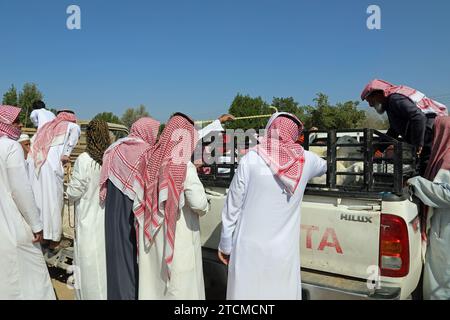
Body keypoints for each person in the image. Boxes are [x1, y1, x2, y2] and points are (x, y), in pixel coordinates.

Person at [218, 112, 327, 300]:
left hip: (248, 249)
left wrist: (225, 244)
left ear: (270, 130)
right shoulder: (307, 161)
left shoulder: (250, 159)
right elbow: (326, 166)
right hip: (283, 252)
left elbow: (232, 206)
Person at [138, 113, 210, 300]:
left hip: (152, 238)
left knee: (155, 286)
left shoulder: (149, 160)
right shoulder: (184, 166)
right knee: (179, 290)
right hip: (179, 241)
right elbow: (199, 204)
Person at [100, 117, 160, 300]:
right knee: (132, 255)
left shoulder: (115, 147)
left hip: (112, 207)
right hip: (132, 208)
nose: (156, 138)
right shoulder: (146, 151)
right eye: (155, 133)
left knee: (116, 254)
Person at [0, 105, 55, 300]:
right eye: (16, 121)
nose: (21, 124)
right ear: (6, 124)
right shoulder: (10, 147)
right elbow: (20, 190)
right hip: (11, 224)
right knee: (28, 279)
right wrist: (36, 225)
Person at [361, 79, 448, 175]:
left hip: (431, 129)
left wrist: (418, 144)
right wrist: (378, 148)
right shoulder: (390, 105)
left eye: (371, 101)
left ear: (378, 94)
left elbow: (418, 117)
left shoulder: (395, 99)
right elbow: (394, 130)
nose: (370, 105)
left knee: (427, 166)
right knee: (429, 167)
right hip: (429, 130)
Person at [66, 119, 111, 300]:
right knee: (103, 263)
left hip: (87, 222)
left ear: (89, 135)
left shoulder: (84, 160)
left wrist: (68, 188)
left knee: (87, 265)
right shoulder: (109, 157)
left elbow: (74, 191)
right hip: (105, 220)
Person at [407, 116, 450, 300]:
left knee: (442, 282)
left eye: (434, 133)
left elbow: (447, 194)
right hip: (441, 225)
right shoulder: (443, 155)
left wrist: (416, 183)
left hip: (446, 228)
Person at [28, 110, 81, 245]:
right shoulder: (71, 126)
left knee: (41, 201)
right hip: (53, 169)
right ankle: (55, 239)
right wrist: (67, 154)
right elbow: (73, 137)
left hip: (39, 166)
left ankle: (44, 235)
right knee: (54, 202)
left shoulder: (48, 127)